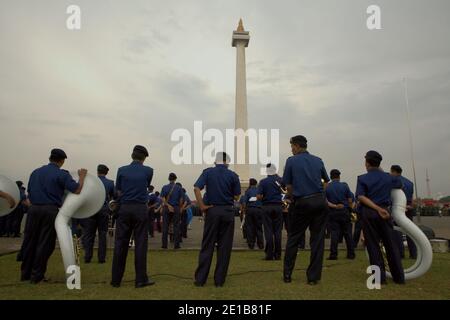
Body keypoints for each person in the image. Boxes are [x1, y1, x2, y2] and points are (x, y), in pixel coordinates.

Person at [21, 148, 87, 283]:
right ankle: (37, 275)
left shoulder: (36, 172)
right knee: (45, 243)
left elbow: (30, 192)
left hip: (33, 210)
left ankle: (25, 273)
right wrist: (81, 177)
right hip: (50, 210)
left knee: (30, 241)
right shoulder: (62, 174)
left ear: (50, 158)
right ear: (62, 161)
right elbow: (77, 189)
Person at [282, 135, 330, 285]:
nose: (291, 149)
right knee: (317, 240)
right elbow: (326, 181)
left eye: (292, 147)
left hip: (301, 202)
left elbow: (288, 185)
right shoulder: (318, 160)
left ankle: (288, 274)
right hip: (320, 202)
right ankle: (313, 277)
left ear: (296, 146)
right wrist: (320, 193)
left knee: (294, 238)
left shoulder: (291, 161)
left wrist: (290, 195)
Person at [355, 151, 405, 284]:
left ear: (367, 163)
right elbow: (400, 184)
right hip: (385, 212)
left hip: (369, 213)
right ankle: (399, 277)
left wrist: (376, 208)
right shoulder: (389, 177)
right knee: (391, 245)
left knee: (373, 246)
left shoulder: (362, 178)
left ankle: (378, 279)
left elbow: (360, 196)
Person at [193, 152, 241, 287]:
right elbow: (237, 197)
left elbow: (197, 188)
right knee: (224, 247)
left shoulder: (208, 173)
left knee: (207, 245)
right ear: (227, 162)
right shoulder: (233, 175)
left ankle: (200, 279)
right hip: (227, 211)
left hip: (212, 210)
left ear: (216, 161)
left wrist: (202, 205)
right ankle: (219, 280)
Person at [111, 145, 155, 288]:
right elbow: (146, 185)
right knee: (141, 244)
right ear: (144, 158)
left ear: (132, 156)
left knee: (120, 244)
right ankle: (140, 279)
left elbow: (118, 190)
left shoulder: (121, 170)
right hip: (140, 209)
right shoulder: (148, 171)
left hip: (124, 208)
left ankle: (116, 279)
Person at [82, 164, 115, 264]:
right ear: (106, 172)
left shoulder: (90, 182)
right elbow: (113, 197)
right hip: (103, 210)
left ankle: (87, 257)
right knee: (102, 234)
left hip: (92, 209)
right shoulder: (110, 183)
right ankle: (101, 258)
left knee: (89, 235)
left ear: (97, 171)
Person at [325, 169, 355, 260]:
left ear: (330, 177)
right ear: (339, 176)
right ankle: (351, 254)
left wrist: (334, 206)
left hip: (333, 212)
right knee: (348, 234)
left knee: (334, 234)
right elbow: (350, 200)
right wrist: (350, 210)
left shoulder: (327, 187)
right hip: (344, 211)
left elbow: (325, 201)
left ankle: (333, 255)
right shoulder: (345, 186)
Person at [257, 164, 284, 260]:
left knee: (268, 231)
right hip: (278, 207)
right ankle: (278, 255)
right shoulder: (280, 180)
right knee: (278, 232)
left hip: (267, 206)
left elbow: (259, 196)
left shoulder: (263, 182)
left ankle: (269, 254)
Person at [390, 165, 417, 259]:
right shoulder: (410, 182)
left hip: (399, 208)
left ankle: (400, 253)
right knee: (410, 231)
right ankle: (413, 254)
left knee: (397, 231)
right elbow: (412, 199)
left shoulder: (394, 182)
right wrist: (410, 206)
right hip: (409, 208)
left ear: (394, 172)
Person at [160, 173, 184, 249]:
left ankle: (164, 245)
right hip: (176, 207)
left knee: (165, 226)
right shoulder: (179, 188)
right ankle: (176, 245)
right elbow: (181, 199)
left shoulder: (164, 187)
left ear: (168, 179)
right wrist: (179, 207)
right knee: (176, 226)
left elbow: (162, 198)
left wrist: (168, 205)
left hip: (166, 208)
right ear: (175, 179)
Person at [242, 178, 264, 250]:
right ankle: (260, 245)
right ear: (256, 183)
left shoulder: (248, 191)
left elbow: (244, 202)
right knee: (259, 227)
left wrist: (244, 211)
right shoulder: (259, 190)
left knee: (250, 227)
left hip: (250, 210)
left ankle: (251, 244)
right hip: (258, 210)